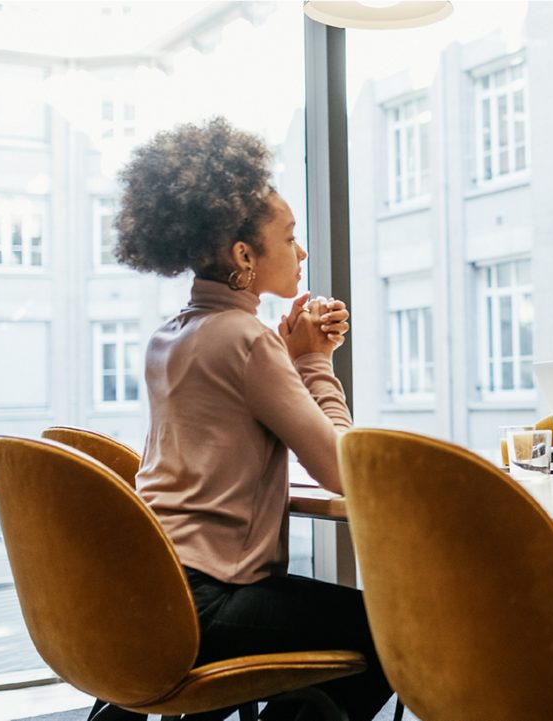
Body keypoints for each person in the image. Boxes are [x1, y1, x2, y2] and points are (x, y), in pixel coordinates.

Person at [115, 117, 392, 721]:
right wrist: (316, 363)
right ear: (244, 255)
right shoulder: (246, 340)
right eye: (290, 238)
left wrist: (290, 357)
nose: (302, 251)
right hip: (213, 601)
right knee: (388, 632)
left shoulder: (174, 335)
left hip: (154, 589)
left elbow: (229, 414)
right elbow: (345, 471)